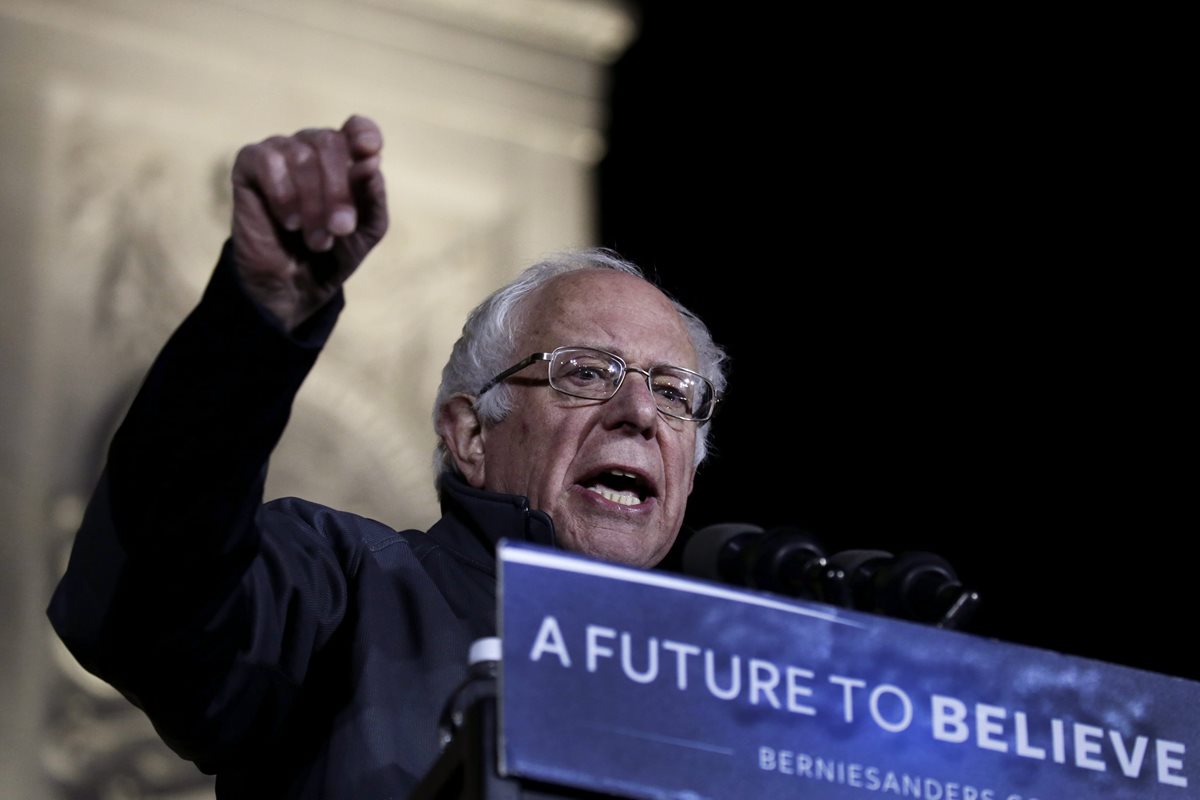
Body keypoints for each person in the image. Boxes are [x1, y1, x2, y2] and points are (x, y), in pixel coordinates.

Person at [48, 116, 727, 798]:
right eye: (583, 373)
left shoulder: (731, 686)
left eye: (673, 393)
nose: (639, 413)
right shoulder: (340, 590)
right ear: (470, 435)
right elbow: (144, 606)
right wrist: (254, 317)